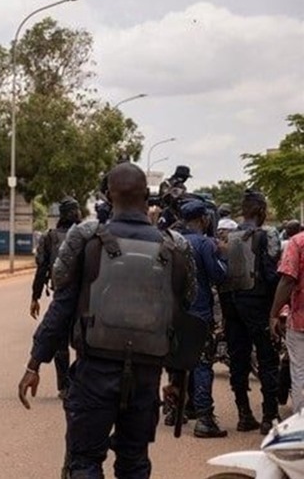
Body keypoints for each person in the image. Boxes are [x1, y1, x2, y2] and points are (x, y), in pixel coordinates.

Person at [18, 163, 197, 478]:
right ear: (147, 195)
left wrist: (34, 364)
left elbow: (60, 308)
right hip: (146, 377)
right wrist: (178, 381)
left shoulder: (87, 240)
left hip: (93, 373)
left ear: (108, 195)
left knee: (84, 461)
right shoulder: (174, 246)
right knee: (134, 462)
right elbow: (182, 316)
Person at [218, 189, 281, 435]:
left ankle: (244, 414)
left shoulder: (227, 236)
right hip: (257, 304)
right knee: (267, 359)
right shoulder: (267, 236)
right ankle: (269, 416)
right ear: (261, 211)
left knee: (238, 359)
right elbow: (271, 274)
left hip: (231, 305)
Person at [168, 200, 229, 438]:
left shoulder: (172, 242)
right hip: (199, 312)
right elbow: (218, 275)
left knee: (176, 360)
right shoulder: (205, 243)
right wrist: (224, 258)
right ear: (203, 219)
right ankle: (204, 418)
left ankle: (175, 411)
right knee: (203, 362)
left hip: (174, 312)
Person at [30, 197, 81, 399]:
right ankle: (72, 385)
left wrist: (34, 298)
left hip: (62, 296)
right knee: (81, 343)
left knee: (61, 344)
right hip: (82, 298)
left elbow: (41, 270)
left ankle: (65, 386)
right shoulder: (85, 236)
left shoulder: (50, 237)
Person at [270, 231, 304, 412]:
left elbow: (288, 280)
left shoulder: (297, 242)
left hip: (300, 320)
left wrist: (274, 313)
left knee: (299, 372)